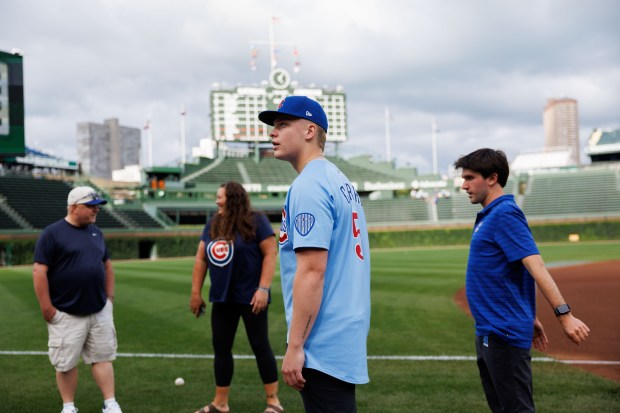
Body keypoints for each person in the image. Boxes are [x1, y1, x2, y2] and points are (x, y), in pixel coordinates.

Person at [454, 148, 590, 413]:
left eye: (470, 178)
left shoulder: (504, 214)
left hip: (502, 333)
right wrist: (530, 316)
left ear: (492, 178)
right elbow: (512, 271)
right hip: (490, 331)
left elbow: (535, 265)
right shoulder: (490, 214)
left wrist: (564, 315)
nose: (464, 185)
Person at [258, 96, 371, 413]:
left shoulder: (309, 185)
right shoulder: (338, 180)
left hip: (323, 340)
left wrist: (295, 346)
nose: (272, 133)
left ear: (310, 130)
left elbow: (312, 272)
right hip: (343, 333)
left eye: (282, 124)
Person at [190, 181, 283, 413]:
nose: (216, 200)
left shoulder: (256, 220)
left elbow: (271, 253)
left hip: (251, 297)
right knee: (221, 348)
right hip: (222, 297)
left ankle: (274, 402)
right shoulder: (213, 223)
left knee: (260, 346)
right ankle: (220, 403)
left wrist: (263, 289)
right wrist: (195, 293)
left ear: (233, 198)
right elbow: (201, 258)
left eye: (220, 196)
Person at [33, 186, 122, 413]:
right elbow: (39, 271)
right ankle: (69, 407)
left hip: (98, 309)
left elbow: (107, 265)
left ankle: (110, 404)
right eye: (91, 207)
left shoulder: (96, 232)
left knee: (102, 358)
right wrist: (47, 308)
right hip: (66, 311)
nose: (96, 211)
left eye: (97, 207)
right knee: (65, 364)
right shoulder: (52, 233)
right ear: (74, 207)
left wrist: (109, 298)